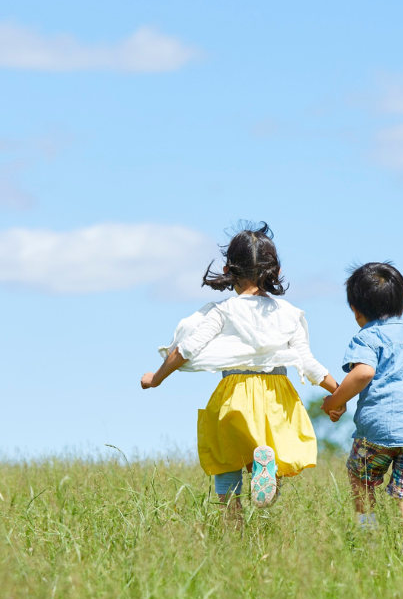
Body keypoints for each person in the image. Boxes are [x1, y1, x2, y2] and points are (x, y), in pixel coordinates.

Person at [141, 223, 339, 521]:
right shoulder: (289, 313)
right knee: (272, 455)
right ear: (275, 269)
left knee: (226, 462)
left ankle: (233, 531)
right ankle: (266, 470)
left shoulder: (223, 311)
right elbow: (308, 363)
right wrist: (338, 393)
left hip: (235, 393)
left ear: (228, 268)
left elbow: (186, 349)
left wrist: (155, 378)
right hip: (278, 397)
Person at [320, 262, 403, 554]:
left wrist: (334, 400)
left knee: (360, 476)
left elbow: (363, 373)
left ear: (356, 310)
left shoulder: (367, 337)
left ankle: (367, 535)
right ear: (402, 304)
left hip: (375, 431)